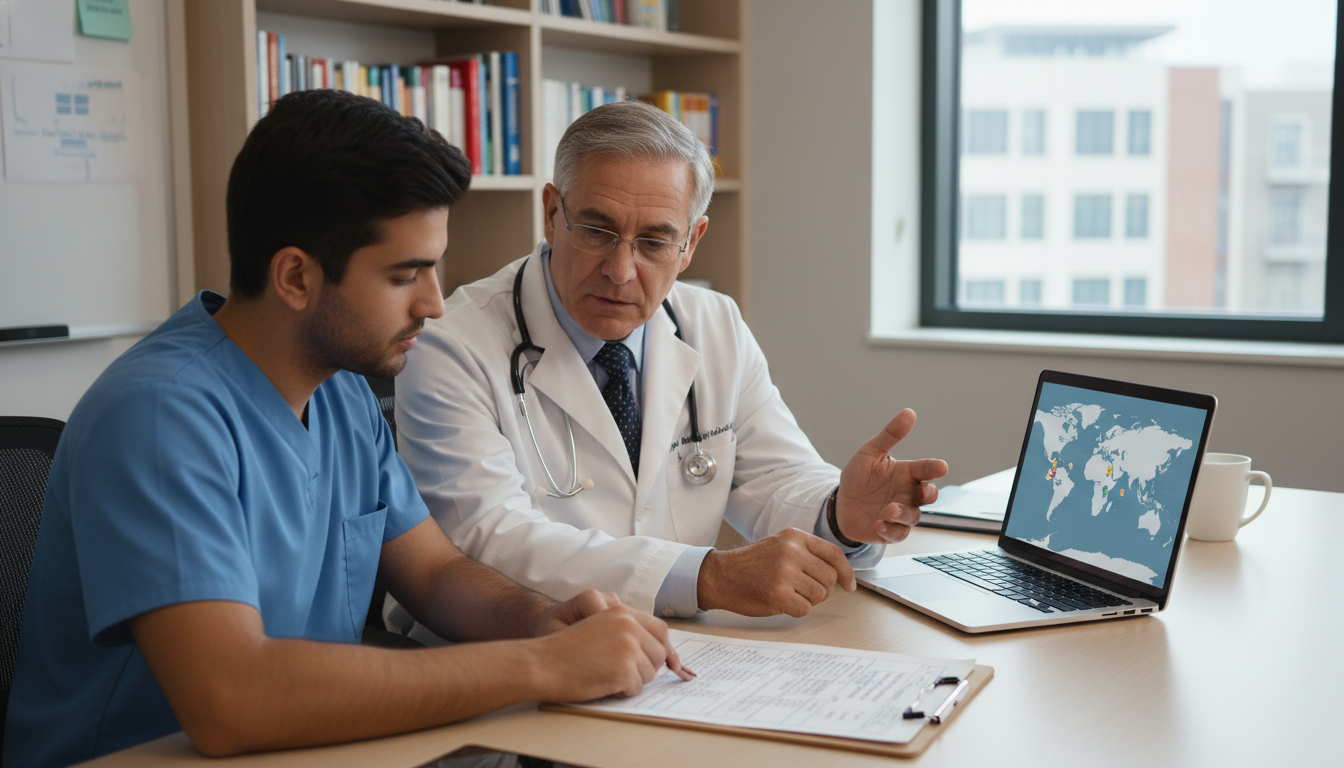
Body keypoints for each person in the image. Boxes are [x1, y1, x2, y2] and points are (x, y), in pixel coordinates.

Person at [3, 90, 689, 768]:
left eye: (435, 266)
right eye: (405, 275)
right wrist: (539, 665)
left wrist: (544, 620)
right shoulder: (157, 417)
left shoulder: (341, 393)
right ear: (296, 276)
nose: (433, 304)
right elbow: (230, 699)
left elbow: (435, 571)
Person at [392, 100, 949, 630]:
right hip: (507, 654)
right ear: (551, 213)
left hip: (673, 654)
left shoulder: (715, 324)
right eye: (596, 230)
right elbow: (486, 539)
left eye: (655, 241)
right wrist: (705, 576)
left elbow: (777, 475)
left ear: (691, 243)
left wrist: (841, 514)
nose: (620, 269)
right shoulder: (450, 344)